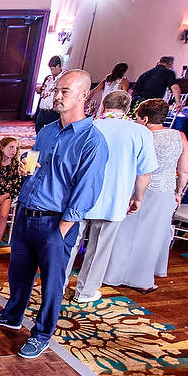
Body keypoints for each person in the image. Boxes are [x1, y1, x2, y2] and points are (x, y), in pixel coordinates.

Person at [0, 70, 109, 359]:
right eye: (56, 90)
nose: (57, 95)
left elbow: (87, 190)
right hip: (27, 212)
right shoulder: (48, 130)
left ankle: (41, 334)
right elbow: (37, 170)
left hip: (56, 220)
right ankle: (12, 315)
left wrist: (61, 229)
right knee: (18, 272)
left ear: (83, 95)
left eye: (65, 91)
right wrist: (26, 167)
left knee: (51, 284)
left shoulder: (92, 141)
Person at [64, 90, 157, 303]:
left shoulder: (87, 125)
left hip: (80, 194)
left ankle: (58, 285)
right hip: (115, 197)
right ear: (128, 108)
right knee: (100, 248)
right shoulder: (140, 132)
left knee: (70, 243)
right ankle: (85, 292)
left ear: (103, 106)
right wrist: (138, 197)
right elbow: (144, 172)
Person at [105, 99, 188, 293]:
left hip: (133, 190)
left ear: (144, 119)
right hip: (164, 191)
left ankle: (112, 275)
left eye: (137, 118)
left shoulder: (138, 135)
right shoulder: (179, 136)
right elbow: (184, 170)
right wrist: (178, 192)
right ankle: (143, 280)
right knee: (153, 236)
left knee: (124, 233)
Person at [35, 56, 63, 132]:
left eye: (52, 69)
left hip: (53, 112)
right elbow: (43, 90)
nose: (51, 72)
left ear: (58, 66)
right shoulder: (48, 78)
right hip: (42, 110)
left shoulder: (64, 78)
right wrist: (40, 89)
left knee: (51, 132)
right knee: (38, 129)